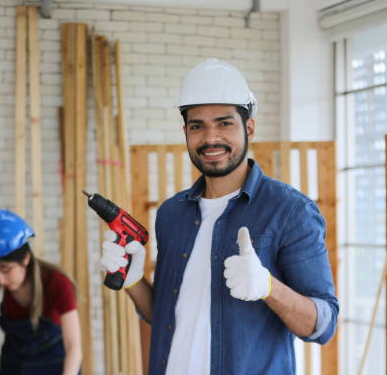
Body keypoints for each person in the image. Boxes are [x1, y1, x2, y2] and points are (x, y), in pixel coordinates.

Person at [100, 58, 338, 374]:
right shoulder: (172, 214)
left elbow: (323, 325)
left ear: (249, 127)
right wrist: (133, 281)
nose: (210, 138)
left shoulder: (290, 211)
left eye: (224, 123)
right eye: (197, 126)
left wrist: (269, 287)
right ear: (185, 131)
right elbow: (168, 317)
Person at [0, 209, 82, 375]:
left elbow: (74, 347)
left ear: (25, 258)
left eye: (5, 269)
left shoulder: (56, 283)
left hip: (56, 365)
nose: (0, 279)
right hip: (14, 366)